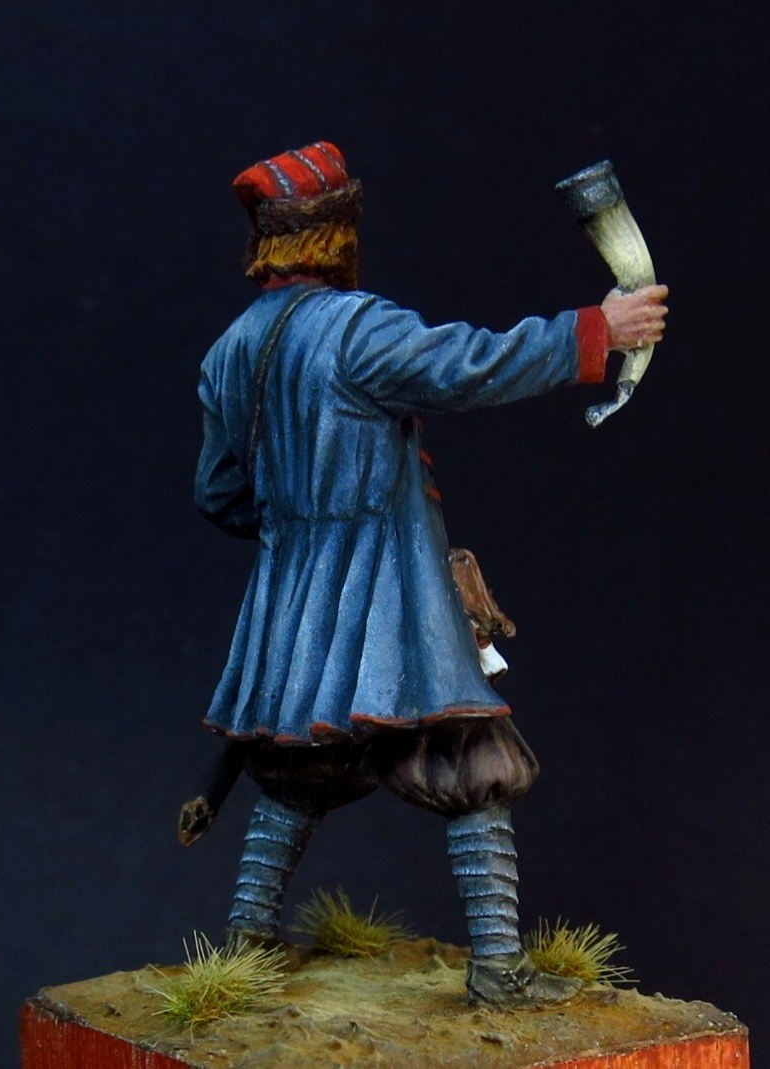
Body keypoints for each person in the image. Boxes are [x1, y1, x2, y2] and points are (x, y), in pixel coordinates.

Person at [180, 141, 668, 1007]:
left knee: (299, 767)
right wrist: (597, 331)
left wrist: (302, 531)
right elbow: (470, 365)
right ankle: (497, 968)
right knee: (471, 760)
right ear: (335, 233)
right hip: (387, 596)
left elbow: (219, 494)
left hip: (289, 610)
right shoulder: (357, 329)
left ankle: (248, 938)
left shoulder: (229, 351)